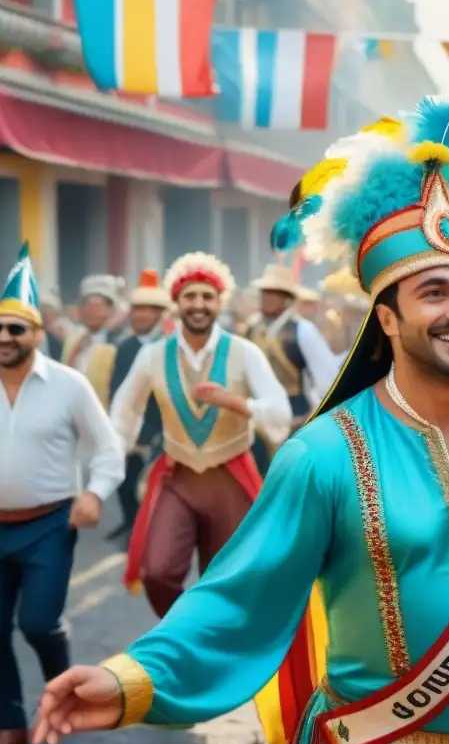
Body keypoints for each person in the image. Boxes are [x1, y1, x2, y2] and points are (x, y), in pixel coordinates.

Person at [32, 98, 449, 744]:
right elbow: (237, 598)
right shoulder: (321, 455)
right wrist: (128, 681)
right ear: (387, 318)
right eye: (433, 293)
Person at [0, 244, 125, 744]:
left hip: (50, 526)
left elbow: (108, 449)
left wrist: (95, 494)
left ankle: (64, 699)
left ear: (37, 333)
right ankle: (9, 727)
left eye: (16, 328)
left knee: (37, 623)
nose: (4, 337)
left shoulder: (69, 385)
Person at [107, 252, 292, 616]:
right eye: (189, 296)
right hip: (178, 479)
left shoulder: (244, 352)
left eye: (207, 296)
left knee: (228, 581)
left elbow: (280, 413)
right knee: (158, 572)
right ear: (176, 303)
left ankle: (214, 640)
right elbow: (124, 413)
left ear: (220, 303)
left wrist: (237, 403)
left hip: (230, 480)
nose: (198, 304)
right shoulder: (152, 356)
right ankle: (186, 631)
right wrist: (109, 470)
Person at [83, 270, 171, 546]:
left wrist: (150, 432)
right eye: (137, 311)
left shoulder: (169, 347)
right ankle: (130, 523)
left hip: (158, 429)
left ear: (159, 314)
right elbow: (117, 389)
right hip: (127, 425)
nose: (141, 316)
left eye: (148, 311)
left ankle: (150, 533)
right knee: (124, 478)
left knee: (149, 485)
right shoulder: (125, 347)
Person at [245, 263, 341, 471]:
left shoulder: (304, 330)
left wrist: (315, 416)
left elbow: (327, 380)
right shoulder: (252, 328)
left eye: (273, 293)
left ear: (287, 298)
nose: (266, 298)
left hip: (295, 417)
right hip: (258, 416)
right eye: (264, 292)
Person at [60, 276, 122, 371]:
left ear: (110, 310)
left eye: (96, 307)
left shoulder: (118, 342)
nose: (90, 312)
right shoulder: (73, 341)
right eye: (86, 306)